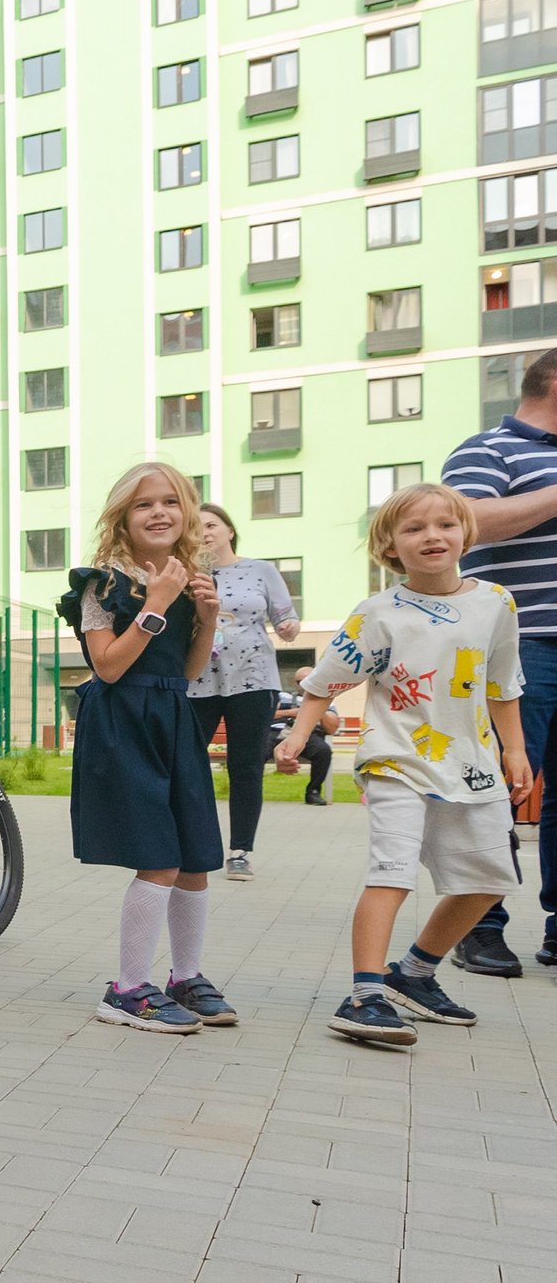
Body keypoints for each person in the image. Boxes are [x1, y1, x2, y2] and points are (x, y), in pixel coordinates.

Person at [279, 485, 528, 1046]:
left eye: (445, 524)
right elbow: (324, 683)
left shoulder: (496, 603)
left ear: (466, 531)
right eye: (414, 529)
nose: (432, 536)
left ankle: (413, 975)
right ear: (390, 546)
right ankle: (364, 995)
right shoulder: (378, 612)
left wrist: (514, 749)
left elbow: (502, 684)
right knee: (392, 872)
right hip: (397, 761)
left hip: (473, 763)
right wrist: (295, 737)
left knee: (491, 879)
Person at [61, 462, 231, 1035]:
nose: (158, 512)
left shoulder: (192, 578)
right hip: (123, 721)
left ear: (186, 512)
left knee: (195, 855)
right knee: (158, 857)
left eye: (170, 502)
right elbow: (107, 667)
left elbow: (187, 670)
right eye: (143, 504)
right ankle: (128, 988)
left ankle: (187, 975)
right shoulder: (101, 584)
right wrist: (156, 604)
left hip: (174, 716)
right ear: (122, 519)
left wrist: (204, 619)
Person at [444, 348, 557, 977]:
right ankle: (476, 928)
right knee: (495, 790)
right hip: (523, 648)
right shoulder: (490, 449)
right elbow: (465, 524)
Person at [187, 502, 300, 881]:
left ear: (229, 530)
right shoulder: (187, 573)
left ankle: (240, 851)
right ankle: (192, 844)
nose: (204, 532)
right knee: (188, 764)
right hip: (198, 679)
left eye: (212, 524)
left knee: (246, 766)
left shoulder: (261, 570)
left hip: (253, 679)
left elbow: (286, 615)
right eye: (196, 526)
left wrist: (288, 628)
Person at [271, 689, 338, 803]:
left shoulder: (328, 700)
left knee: (323, 751)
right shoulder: (281, 696)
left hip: (309, 734)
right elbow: (265, 715)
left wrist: (318, 709)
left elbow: (331, 728)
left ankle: (314, 792)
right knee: (256, 750)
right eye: (300, 681)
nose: (305, 685)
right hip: (276, 731)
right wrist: (292, 712)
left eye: (307, 680)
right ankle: (251, 791)